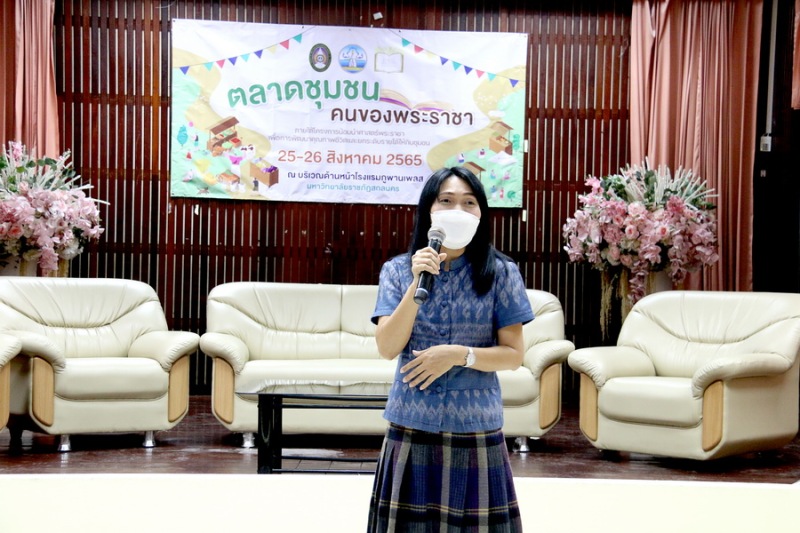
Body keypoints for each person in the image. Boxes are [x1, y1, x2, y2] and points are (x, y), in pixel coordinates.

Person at [367, 166, 534, 532]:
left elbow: (513, 355)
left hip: (475, 422)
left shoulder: (501, 272)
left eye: (469, 202)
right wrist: (416, 281)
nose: (458, 210)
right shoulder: (397, 271)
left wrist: (459, 355)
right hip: (412, 419)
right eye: (446, 200)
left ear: (481, 213)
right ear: (429, 210)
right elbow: (387, 347)